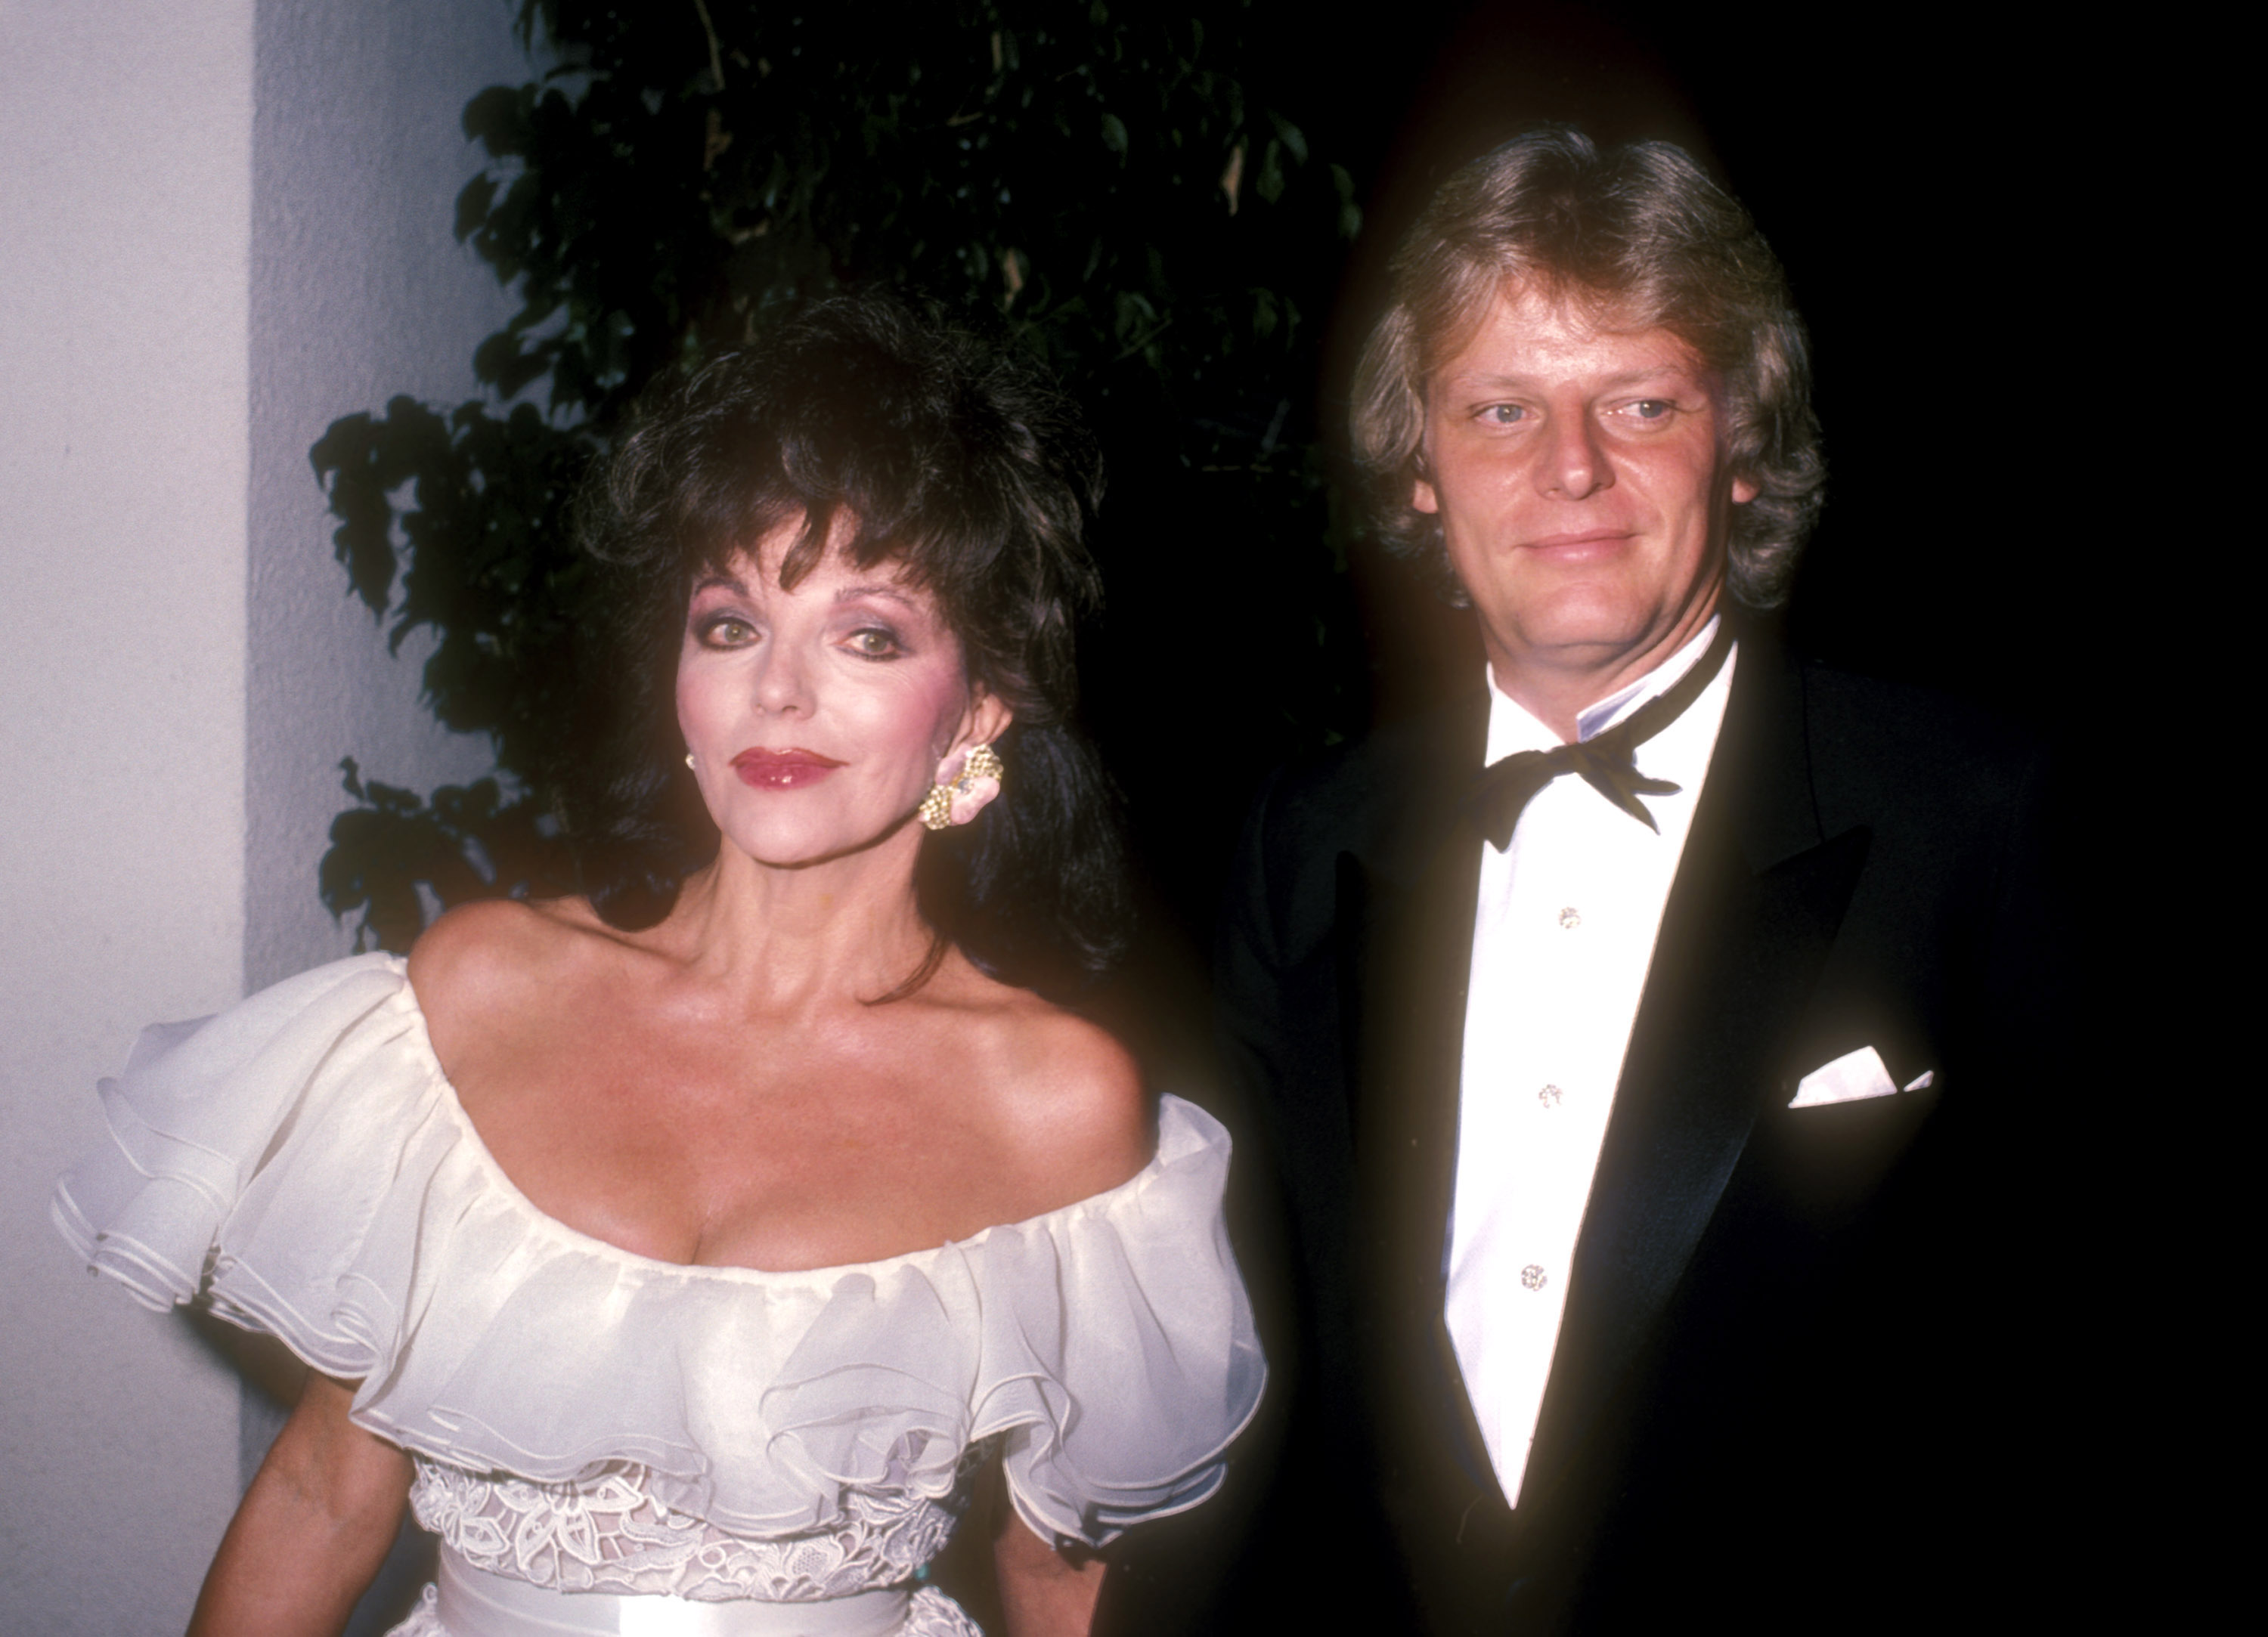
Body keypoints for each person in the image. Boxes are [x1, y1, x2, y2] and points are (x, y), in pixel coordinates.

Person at [54, 293, 1265, 1637]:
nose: (780, 691)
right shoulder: (477, 994)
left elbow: (1060, 1573)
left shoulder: (1059, 1102)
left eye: (869, 634)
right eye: (732, 622)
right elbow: (324, 1495)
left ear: (976, 714)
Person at [1215, 128, 2059, 1631]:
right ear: (1420, 475)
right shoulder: (1301, 838)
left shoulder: (1983, 818)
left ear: (1740, 447)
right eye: (1500, 408)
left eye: (1643, 400)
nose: (1574, 469)